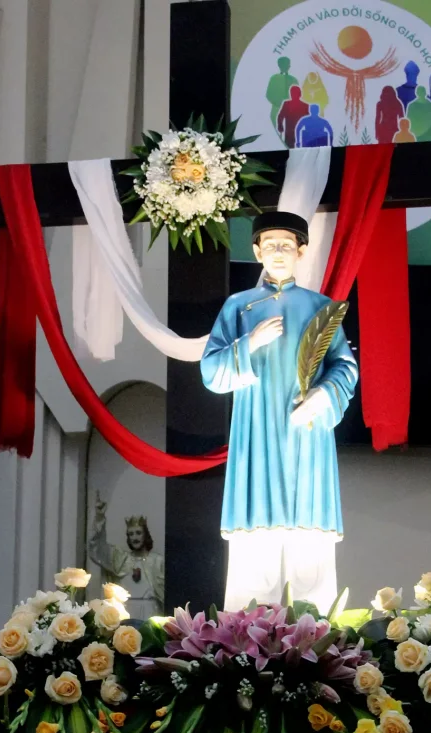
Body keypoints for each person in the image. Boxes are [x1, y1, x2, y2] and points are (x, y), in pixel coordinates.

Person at [200, 211, 358, 611]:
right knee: (257, 552)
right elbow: (211, 372)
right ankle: (248, 635)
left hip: (307, 434)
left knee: (309, 550)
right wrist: (249, 343)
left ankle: (315, 634)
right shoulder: (238, 307)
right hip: (257, 434)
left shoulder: (321, 308)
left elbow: (345, 366)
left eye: (286, 245)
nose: (278, 252)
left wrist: (321, 397)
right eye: (269, 245)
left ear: (301, 251)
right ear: (257, 252)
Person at [89, 496, 165, 620]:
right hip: (126, 612)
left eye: (138, 533)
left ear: (145, 535)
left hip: (151, 612)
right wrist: (99, 518)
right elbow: (98, 548)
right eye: (131, 534)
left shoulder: (157, 562)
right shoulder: (121, 559)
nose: (135, 537)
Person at [266, 57, 299, 130]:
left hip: (291, 109)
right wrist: (277, 103)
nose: (288, 66)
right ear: (279, 65)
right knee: (275, 122)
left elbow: (298, 94)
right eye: (285, 64)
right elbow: (269, 93)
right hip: (276, 107)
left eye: (288, 64)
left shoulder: (293, 79)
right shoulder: (274, 78)